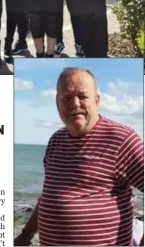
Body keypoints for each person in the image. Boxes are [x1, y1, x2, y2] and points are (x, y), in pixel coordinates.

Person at [14, 67, 144, 246]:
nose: (75, 104)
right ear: (57, 103)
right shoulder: (56, 141)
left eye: (82, 96)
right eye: (66, 98)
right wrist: (26, 234)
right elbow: (49, 194)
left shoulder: (121, 139)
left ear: (97, 101)